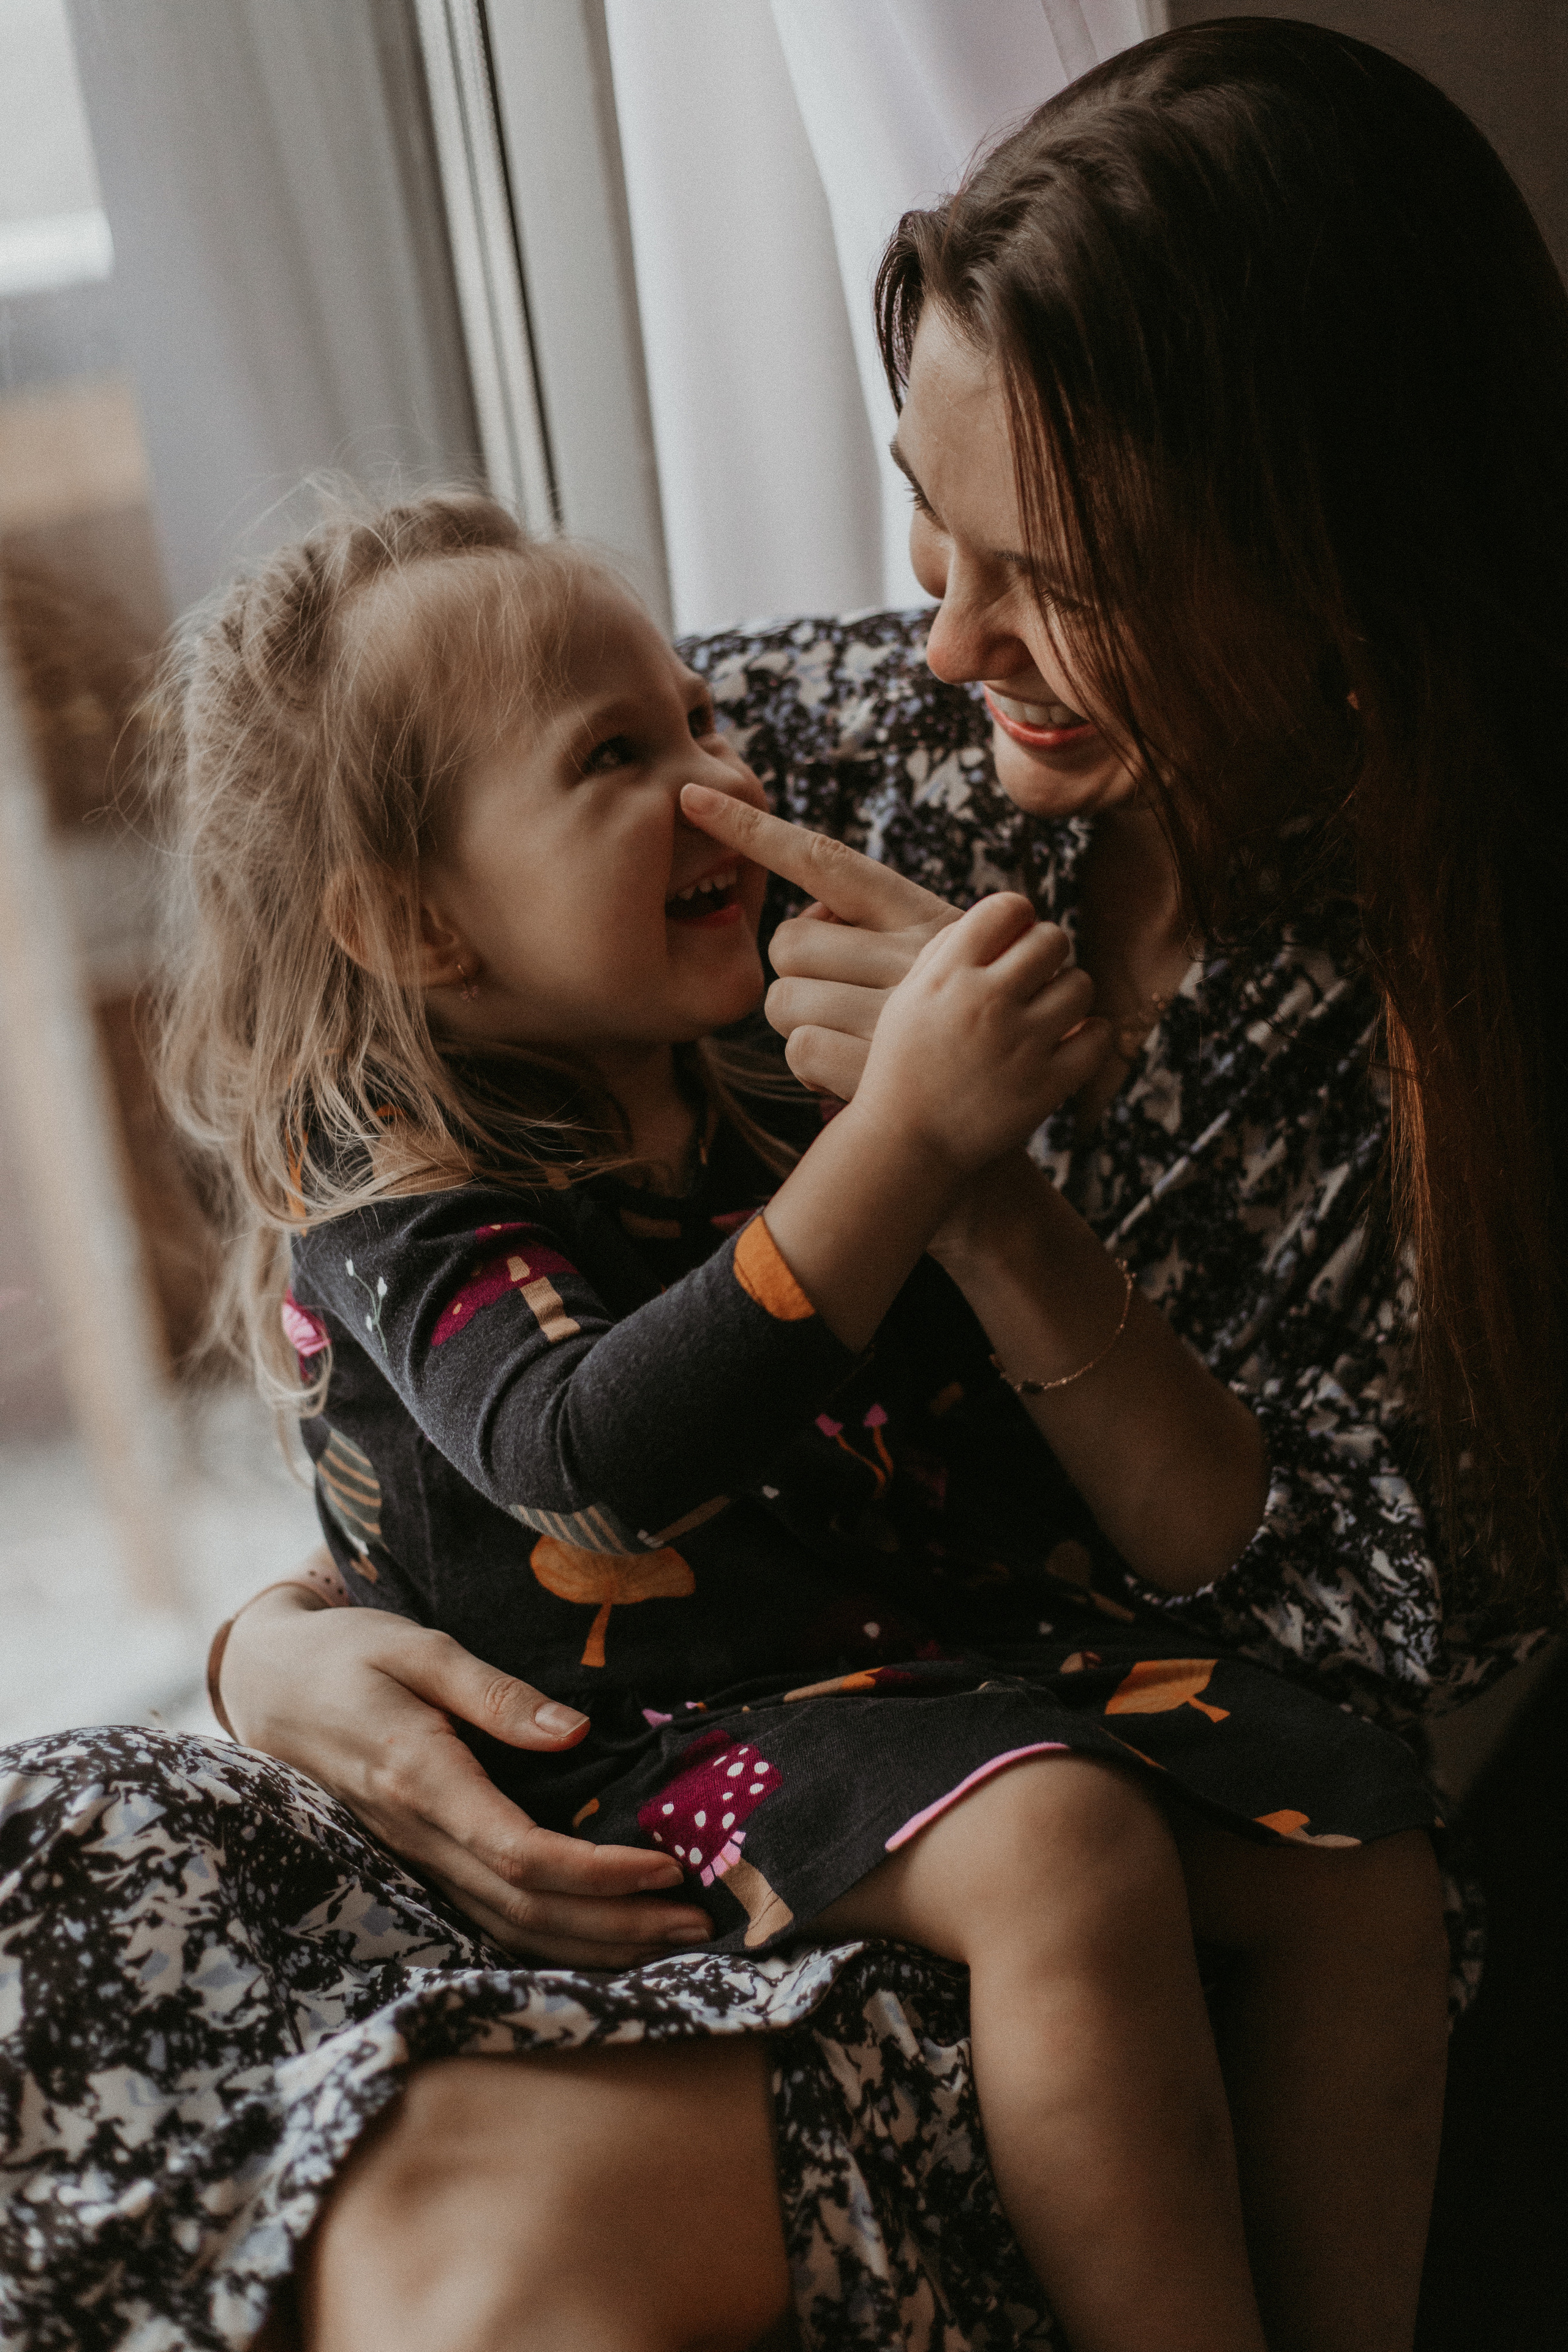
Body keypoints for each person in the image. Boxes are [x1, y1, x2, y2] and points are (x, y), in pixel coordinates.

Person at [0, 18, 1558, 2352]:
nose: (941, 648)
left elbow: (1353, 1647)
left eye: (1052, 576)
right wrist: (282, 1648)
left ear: (1323, 552)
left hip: (1033, 1826)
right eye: (926, 535)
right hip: (618, 1721)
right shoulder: (798, 757)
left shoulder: (1466, 1032)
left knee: (478, 2271)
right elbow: (396, 1113)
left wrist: (988, 1192)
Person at [156, 475, 1446, 2352]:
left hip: (874, 1691)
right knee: (1060, 1847)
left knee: (1357, 1841)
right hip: (618, 1753)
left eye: (701, 715)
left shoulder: (757, 1074)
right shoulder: (388, 1190)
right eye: (619, 754)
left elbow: (1016, 1462)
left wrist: (975, 1177)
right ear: (420, 930)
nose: (721, 777)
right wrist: (911, 1138)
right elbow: (589, 1464)